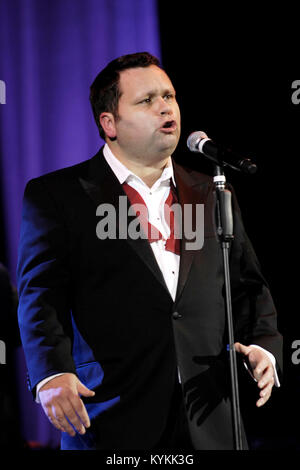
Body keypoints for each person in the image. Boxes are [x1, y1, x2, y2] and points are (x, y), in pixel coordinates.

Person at [17, 52, 282, 450]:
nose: (165, 107)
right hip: (113, 414)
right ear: (110, 124)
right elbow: (40, 294)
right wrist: (51, 374)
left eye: (169, 96)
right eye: (146, 100)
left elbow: (248, 284)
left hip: (211, 415)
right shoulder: (58, 196)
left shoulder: (212, 191)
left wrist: (263, 345)